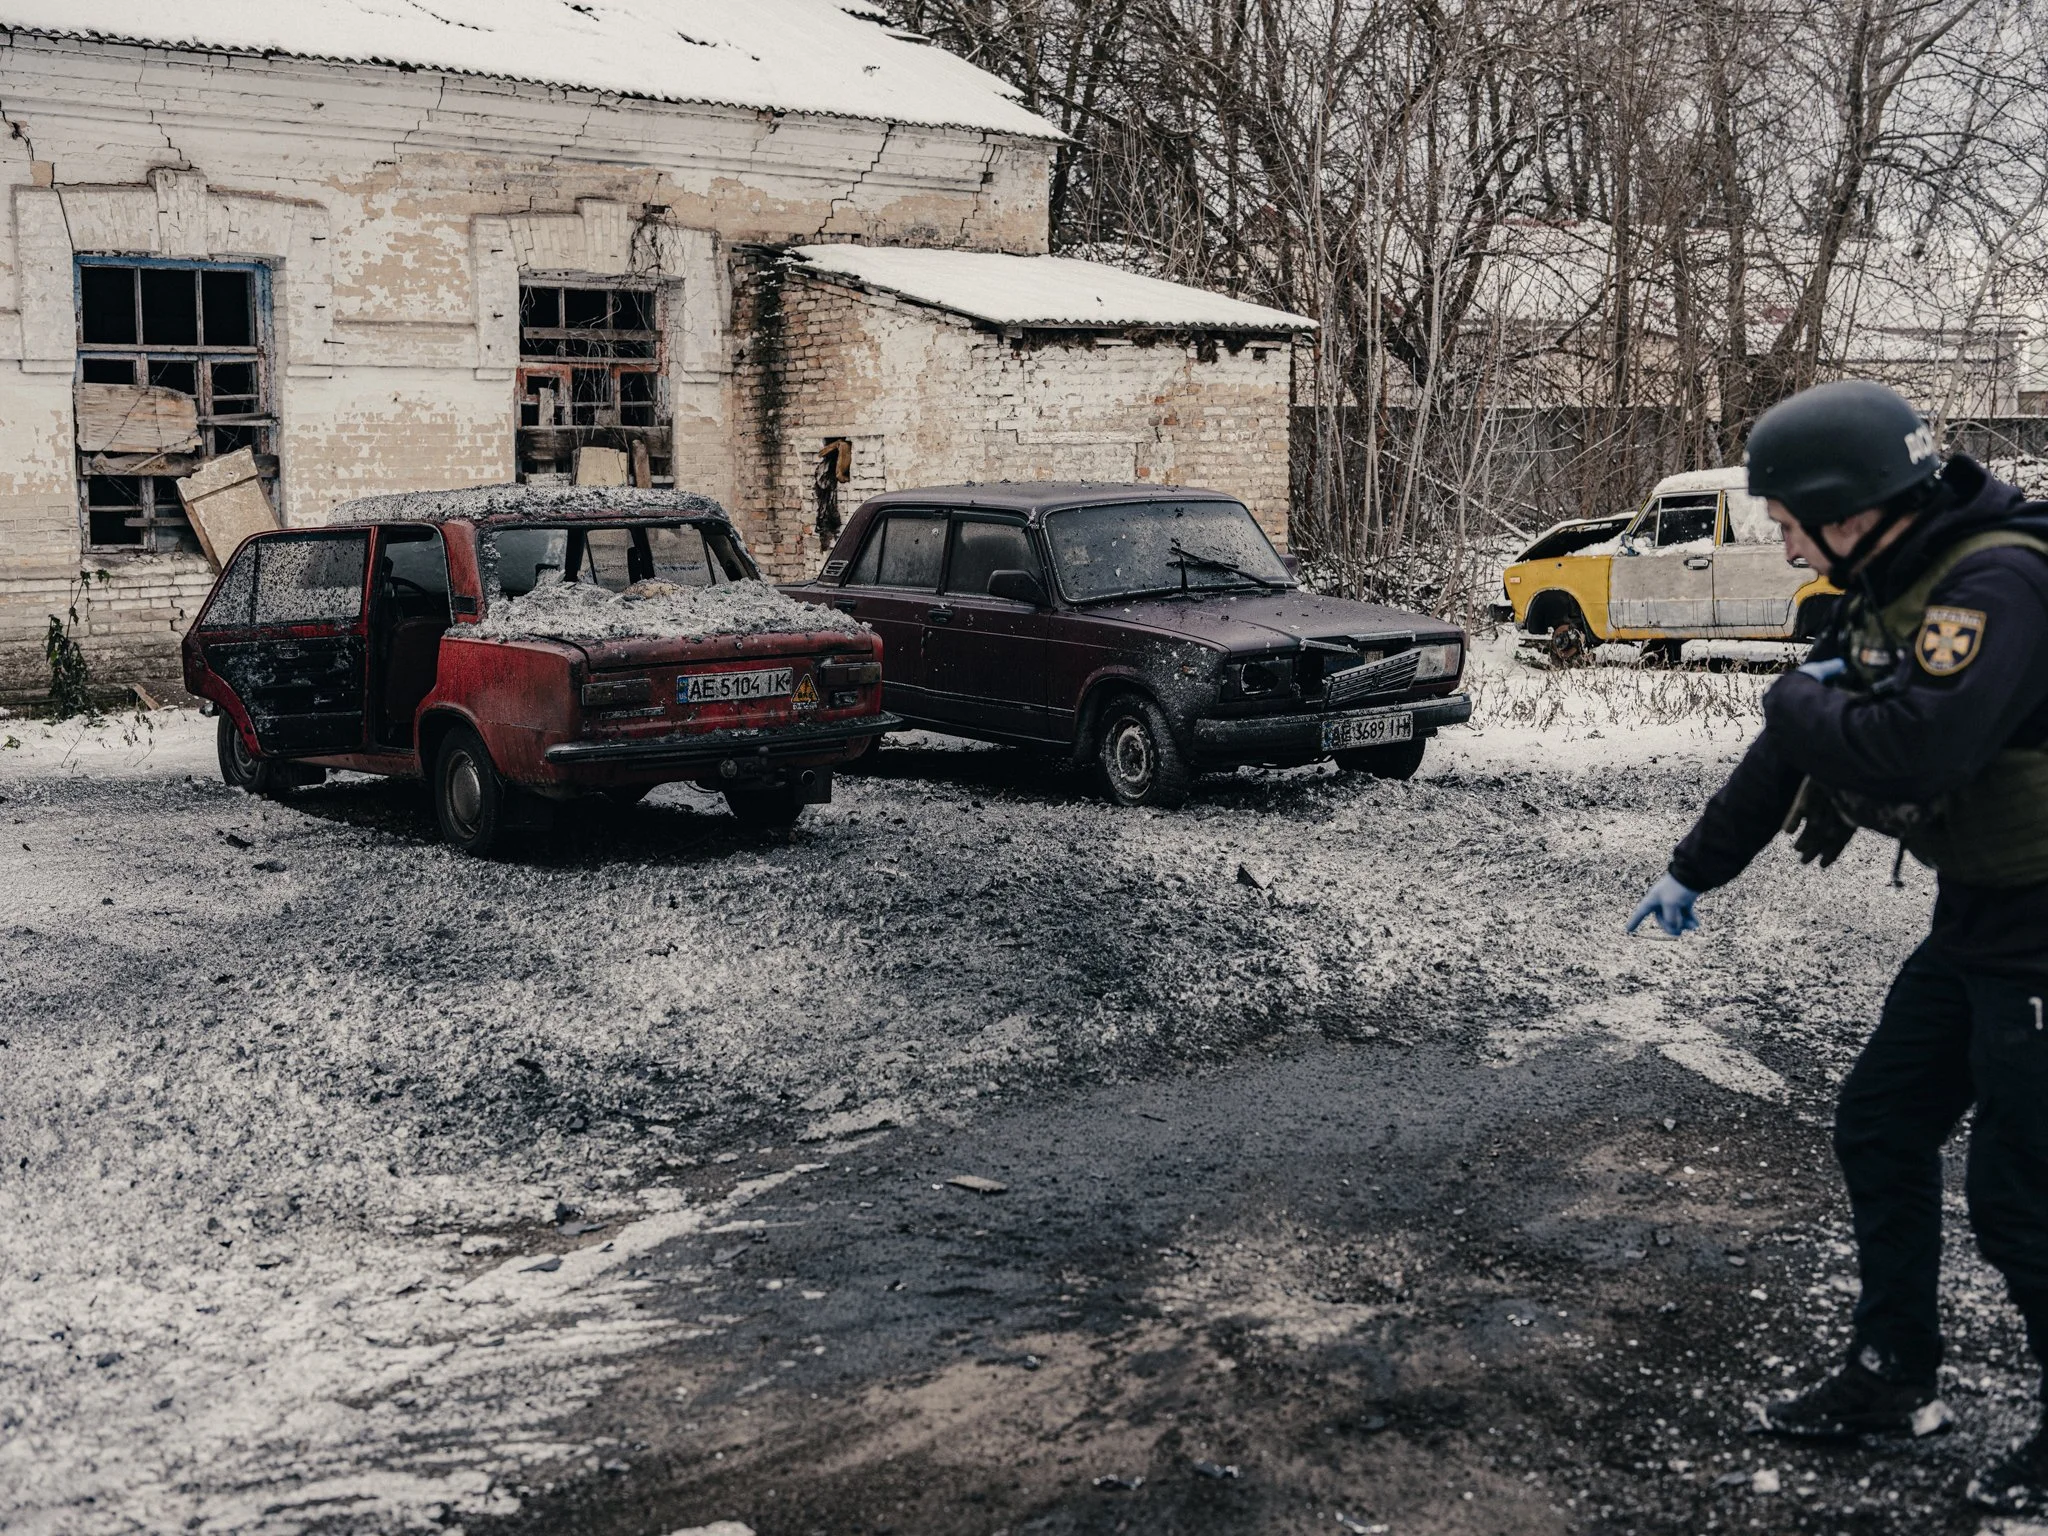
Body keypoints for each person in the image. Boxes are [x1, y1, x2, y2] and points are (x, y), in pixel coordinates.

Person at [1626, 379, 2048, 1513]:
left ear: (1846, 507)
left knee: (2020, 1197)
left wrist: (1793, 701)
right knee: (1879, 1123)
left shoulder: (1996, 583)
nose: (1775, 537)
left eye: (1781, 518)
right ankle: (1889, 1376)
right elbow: (1794, 748)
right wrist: (1692, 870)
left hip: (2041, 941)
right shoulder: (1885, 586)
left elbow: (1909, 749)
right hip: (1979, 925)